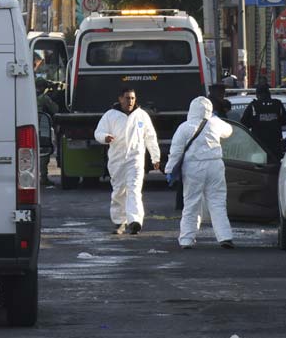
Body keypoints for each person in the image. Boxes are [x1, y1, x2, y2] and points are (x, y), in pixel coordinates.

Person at [165, 97, 235, 249]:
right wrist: (215, 118)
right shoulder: (215, 123)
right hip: (215, 165)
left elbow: (175, 152)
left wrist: (169, 170)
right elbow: (229, 131)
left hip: (193, 168)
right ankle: (225, 236)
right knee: (217, 202)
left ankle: (186, 240)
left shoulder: (184, 127)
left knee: (191, 203)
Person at [94, 88, 160, 235]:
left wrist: (155, 157)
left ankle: (135, 221)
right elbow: (98, 132)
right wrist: (105, 137)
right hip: (117, 159)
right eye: (127, 98)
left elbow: (150, 137)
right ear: (120, 99)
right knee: (119, 190)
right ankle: (119, 222)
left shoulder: (142, 115)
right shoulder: (110, 116)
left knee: (134, 188)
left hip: (135, 158)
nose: (130, 101)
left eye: (132, 98)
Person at [240, 83, 286, 156]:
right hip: (275, 143)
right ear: (269, 94)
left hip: (258, 145)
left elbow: (243, 123)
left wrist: (255, 123)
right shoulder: (277, 104)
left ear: (257, 95)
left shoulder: (253, 105)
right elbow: (285, 121)